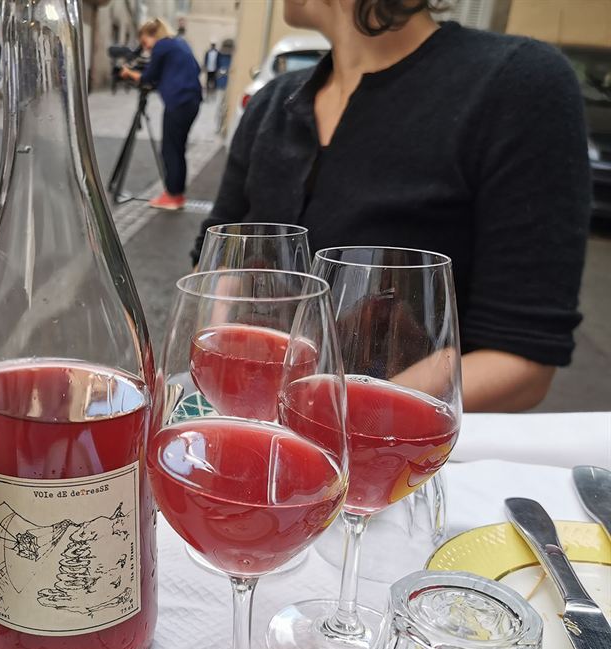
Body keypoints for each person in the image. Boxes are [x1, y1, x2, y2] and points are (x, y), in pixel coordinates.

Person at [195, 0, 590, 412]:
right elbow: (212, 263)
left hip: (394, 457)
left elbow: (520, 360)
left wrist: (333, 416)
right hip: (246, 423)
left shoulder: (514, 85)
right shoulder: (272, 105)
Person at [121, 18, 202, 211]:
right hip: (191, 101)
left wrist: (128, 73)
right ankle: (177, 194)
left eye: (144, 42)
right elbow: (196, 68)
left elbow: (149, 76)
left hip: (178, 102)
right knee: (178, 148)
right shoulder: (179, 44)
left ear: (152, 35)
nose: (146, 48)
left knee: (170, 149)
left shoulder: (162, 46)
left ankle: (172, 196)